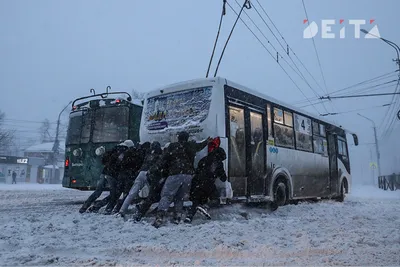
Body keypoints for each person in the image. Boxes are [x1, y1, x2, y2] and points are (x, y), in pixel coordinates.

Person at [152, 131, 212, 228]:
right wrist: (206, 141)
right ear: (187, 138)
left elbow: (164, 158)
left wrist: (157, 168)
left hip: (175, 173)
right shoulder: (191, 145)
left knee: (167, 195)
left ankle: (160, 217)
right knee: (179, 197)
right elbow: (199, 146)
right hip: (188, 175)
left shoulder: (173, 146)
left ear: (178, 138)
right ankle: (177, 217)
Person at [185, 137, 227, 223]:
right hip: (208, 184)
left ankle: (189, 217)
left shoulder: (204, 159)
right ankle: (205, 207)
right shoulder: (218, 163)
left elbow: (198, 170)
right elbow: (223, 178)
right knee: (216, 198)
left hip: (196, 182)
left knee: (196, 200)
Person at [119, 141, 162, 218]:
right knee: (152, 194)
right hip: (151, 174)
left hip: (141, 172)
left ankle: (122, 210)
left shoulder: (148, 153)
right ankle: (142, 208)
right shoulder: (159, 154)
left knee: (132, 193)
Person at [133, 143, 170, 222]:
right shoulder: (164, 157)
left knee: (154, 196)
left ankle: (142, 210)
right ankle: (141, 212)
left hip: (155, 178)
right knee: (154, 196)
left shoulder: (155, 156)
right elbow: (159, 167)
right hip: (158, 179)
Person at [79, 144, 121, 213]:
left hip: (104, 173)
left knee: (97, 192)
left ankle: (85, 206)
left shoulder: (111, 151)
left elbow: (103, 161)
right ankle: (102, 207)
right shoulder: (121, 153)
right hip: (112, 175)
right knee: (114, 194)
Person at [103, 140, 136, 214]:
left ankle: (109, 208)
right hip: (127, 175)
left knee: (116, 194)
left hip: (120, 175)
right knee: (126, 193)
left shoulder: (119, 153)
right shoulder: (130, 153)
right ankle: (118, 208)